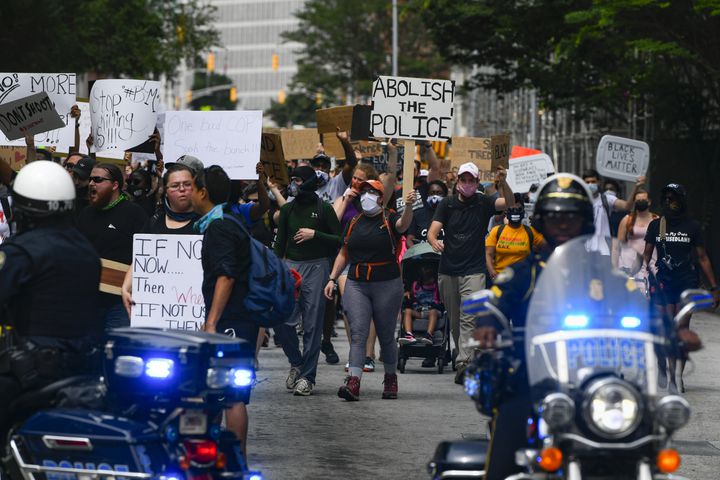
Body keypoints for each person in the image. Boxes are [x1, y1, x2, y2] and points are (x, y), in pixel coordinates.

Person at [473, 173, 596, 479]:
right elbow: (495, 300)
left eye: (572, 217)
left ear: (585, 222)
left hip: (591, 377)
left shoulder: (599, 274)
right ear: (541, 221)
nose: (564, 225)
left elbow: (638, 306)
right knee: (509, 422)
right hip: (531, 377)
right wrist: (487, 323)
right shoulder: (523, 273)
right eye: (555, 218)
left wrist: (669, 329)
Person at [0, 161, 101, 438]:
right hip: (83, 371)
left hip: (30, 375)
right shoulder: (87, 251)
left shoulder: (21, 251)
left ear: (23, 208)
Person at [325, 180, 416, 401]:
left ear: (381, 198)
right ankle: (354, 382)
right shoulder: (354, 221)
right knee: (358, 334)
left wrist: (410, 207)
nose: (367, 195)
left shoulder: (390, 217)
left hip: (387, 284)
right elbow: (344, 253)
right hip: (357, 283)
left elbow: (403, 226)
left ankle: (391, 377)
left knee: (385, 335)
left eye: (372, 192)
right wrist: (332, 278)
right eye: (364, 191)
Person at [427, 162, 514, 383]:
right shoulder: (446, 204)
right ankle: (464, 355)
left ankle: (463, 363)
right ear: (458, 183)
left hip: (474, 270)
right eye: (463, 180)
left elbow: (510, 203)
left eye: (471, 180)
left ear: (477, 183)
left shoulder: (484, 202)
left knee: (470, 318)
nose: (467, 184)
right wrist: (434, 240)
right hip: (448, 270)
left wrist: (503, 183)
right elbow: (433, 231)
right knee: (456, 320)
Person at [191, 165, 255, 454]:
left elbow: (226, 275)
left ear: (203, 192)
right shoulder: (226, 220)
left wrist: (212, 323)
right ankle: (218, 456)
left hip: (231, 320)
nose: (187, 193)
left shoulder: (220, 227)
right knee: (221, 393)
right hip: (239, 318)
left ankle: (236, 459)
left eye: (192, 187)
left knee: (231, 395)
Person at [643, 183, 720, 393]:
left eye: (675, 198)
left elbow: (703, 258)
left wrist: (714, 287)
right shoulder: (656, 225)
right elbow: (646, 255)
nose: (671, 202)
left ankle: (676, 378)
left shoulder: (692, 227)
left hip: (686, 282)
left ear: (682, 200)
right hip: (662, 283)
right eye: (667, 198)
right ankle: (661, 361)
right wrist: (639, 276)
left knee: (681, 329)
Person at [274, 165, 342, 396]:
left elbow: (338, 240)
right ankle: (296, 362)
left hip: (317, 267)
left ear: (310, 182)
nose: (294, 184)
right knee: (281, 320)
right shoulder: (287, 211)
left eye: (298, 180)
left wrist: (316, 235)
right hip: (290, 268)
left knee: (313, 324)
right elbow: (279, 246)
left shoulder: (324, 209)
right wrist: (275, 272)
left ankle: (307, 377)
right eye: (292, 179)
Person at [120, 163, 200, 316]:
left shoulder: (207, 223)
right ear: (166, 191)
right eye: (175, 186)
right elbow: (140, 260)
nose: (182, 189)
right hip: (158, 313)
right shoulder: (154, 222)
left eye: (187, 184)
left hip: (192, 311)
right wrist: (125, 288)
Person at [77, 163, 148, 329]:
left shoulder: (134, 214)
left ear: (115, 185)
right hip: (88, 300)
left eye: (98, 179)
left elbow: (145, 255)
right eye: (91, 179)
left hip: (119, 304)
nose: (91, 184)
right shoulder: (85, 214)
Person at [581, 169, 643, 255]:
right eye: (587, 182)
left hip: (603, 251)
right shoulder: (580, 201)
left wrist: (636, 187)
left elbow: (626, 206)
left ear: (598, 182)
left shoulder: (606, 199)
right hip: (584, 250)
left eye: (593, 181)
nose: (590, 184)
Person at [485, 196, 545, 283]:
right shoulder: (497, 231)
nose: (515, 210)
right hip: (500, 277)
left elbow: (548, 246)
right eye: (512, 207)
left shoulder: (530, 231)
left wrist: (541, 226)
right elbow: (488, 254)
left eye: (518, 208)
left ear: (523, 211)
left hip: (523, 278)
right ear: (506, 211)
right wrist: (492, 272)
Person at [616, 188, 657, 293]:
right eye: (638, 200)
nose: (640, 202)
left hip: (651, 265)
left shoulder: (657, 220)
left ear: (649, 202)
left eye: (643, 200)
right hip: (629, 265)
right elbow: (618, 245)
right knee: (630, 295)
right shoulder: (627, 219)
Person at [399, 264, 442, 346]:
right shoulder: (416, 285)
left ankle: (429, 335)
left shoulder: (436, 285)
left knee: (433, 312)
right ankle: (409, 334)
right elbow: (411, 294)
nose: (430, 281)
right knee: (407, 311)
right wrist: (408, 293)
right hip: (419, 310)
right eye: (427, 279)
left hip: (433, 310)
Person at [405, 180, 448, 248]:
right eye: (432, 193)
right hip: (422, 256)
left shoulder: (451, 214)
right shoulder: (417, 214)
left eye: (439, 193)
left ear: (445, 195)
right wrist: (415, 253)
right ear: (427, 195)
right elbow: (409, 239)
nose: (435, 196)